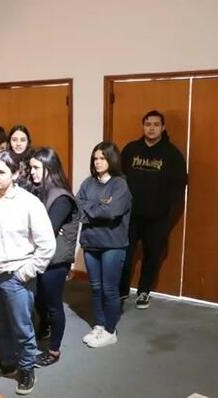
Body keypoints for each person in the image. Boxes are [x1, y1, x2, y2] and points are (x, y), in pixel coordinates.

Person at [0, 151, 55, 394]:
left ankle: (26, 368)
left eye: (2, 172)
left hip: (16, 274)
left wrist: (26, 272)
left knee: (22, 326)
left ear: (16, 174)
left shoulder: (29, 203)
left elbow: (47, 245)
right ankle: (8, 362)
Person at [119, 110, 187, 309]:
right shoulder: (131, 150)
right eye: (148, 123)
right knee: (125, 253)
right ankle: (122, 290)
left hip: (157, 218)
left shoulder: (172, 154)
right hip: (130, 216)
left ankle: (143, 292)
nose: (151, 128)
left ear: (163, 127)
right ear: (143, 126)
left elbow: (179, 185)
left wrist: (166, 209)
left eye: (156, 124)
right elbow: (119, 178)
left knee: (152, 255)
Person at [77, 142, 132, 348]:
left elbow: (112, 212)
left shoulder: (119, 185)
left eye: (102, 158)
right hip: (91, 242)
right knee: (95, 287)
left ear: (112, 159)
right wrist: (100, 206)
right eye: (95, 158)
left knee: (109, 289)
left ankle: (110, 330)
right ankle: (99, 325)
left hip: (112, 244)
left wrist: (91, 209)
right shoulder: (88, 183)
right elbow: (77, 207)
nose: (98, 162)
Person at [28, 148, 78, 366]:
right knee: (40, 300)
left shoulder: (61, 197)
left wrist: (35, 228)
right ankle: (44, 329)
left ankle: (54, 351)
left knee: (53, 305)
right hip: (41, 255)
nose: (32, 172)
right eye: (31, 167)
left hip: (56, 259)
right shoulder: (39, 191)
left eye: (36, 168)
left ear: (49, 168)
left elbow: (46, 230)